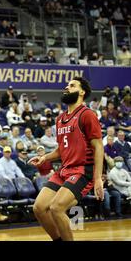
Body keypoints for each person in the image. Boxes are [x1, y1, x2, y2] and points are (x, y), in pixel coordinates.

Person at [29, 77, 104, 241]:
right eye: (67, 85)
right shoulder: (60, 119)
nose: (66, 87)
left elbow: (98, 146)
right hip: (64, 170)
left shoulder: (87, 115)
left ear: (82, 92)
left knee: (56, 207)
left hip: (82, 170)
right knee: (39, 207)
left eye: (72, 85)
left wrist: (98, 178)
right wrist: (44, 158)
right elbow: (61, 149)